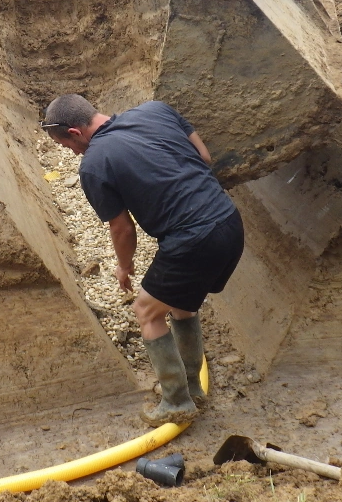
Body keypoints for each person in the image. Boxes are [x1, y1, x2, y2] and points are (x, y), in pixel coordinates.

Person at [41, 94, 244, 426]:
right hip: (229, 222)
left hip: (193, 240)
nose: (73, 153)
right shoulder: (157, 110)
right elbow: (204, 157)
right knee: (181, 305)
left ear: (75, 133)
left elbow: (123, 229)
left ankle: (177, 402)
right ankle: (192, 387)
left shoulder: (94, 164)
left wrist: (125, 266)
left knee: (146, 310)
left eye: (67, 146)